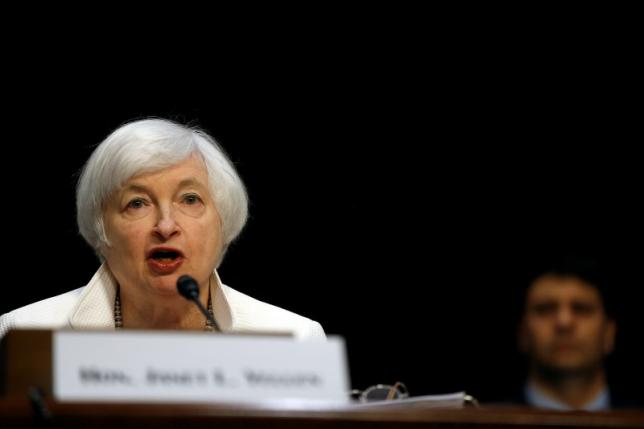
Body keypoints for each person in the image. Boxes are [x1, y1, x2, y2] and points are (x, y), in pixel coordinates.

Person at [0, 118, 325, 339]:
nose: (166, 226)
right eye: (137, 203)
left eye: (190, 199)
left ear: (223, 221)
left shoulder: (295, 339)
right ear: (101, 229)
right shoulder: (20, 333)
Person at [516, 256, 620, 410]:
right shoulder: (483, 422)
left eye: (581, 308)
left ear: (609, 333)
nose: (564, 322)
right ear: (523, 332)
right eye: (546, 309)